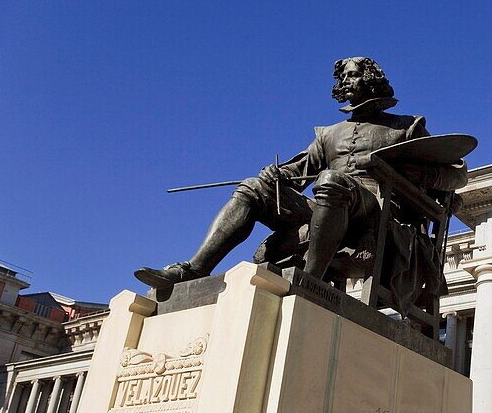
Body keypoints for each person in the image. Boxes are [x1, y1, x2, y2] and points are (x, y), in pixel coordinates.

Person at [136, 56, 458, 293]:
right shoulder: (330, 133)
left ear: (371, 79)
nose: (345, 82)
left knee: (331, 181)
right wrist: (274, 175)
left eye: (352, 75)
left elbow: (455, 177)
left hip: (373, 215)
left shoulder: (406, 126)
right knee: (254, 187)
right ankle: (193, 270)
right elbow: (299, 170)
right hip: (326, 205)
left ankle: (310, 284)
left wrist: (418, 174)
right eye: (342, 77)